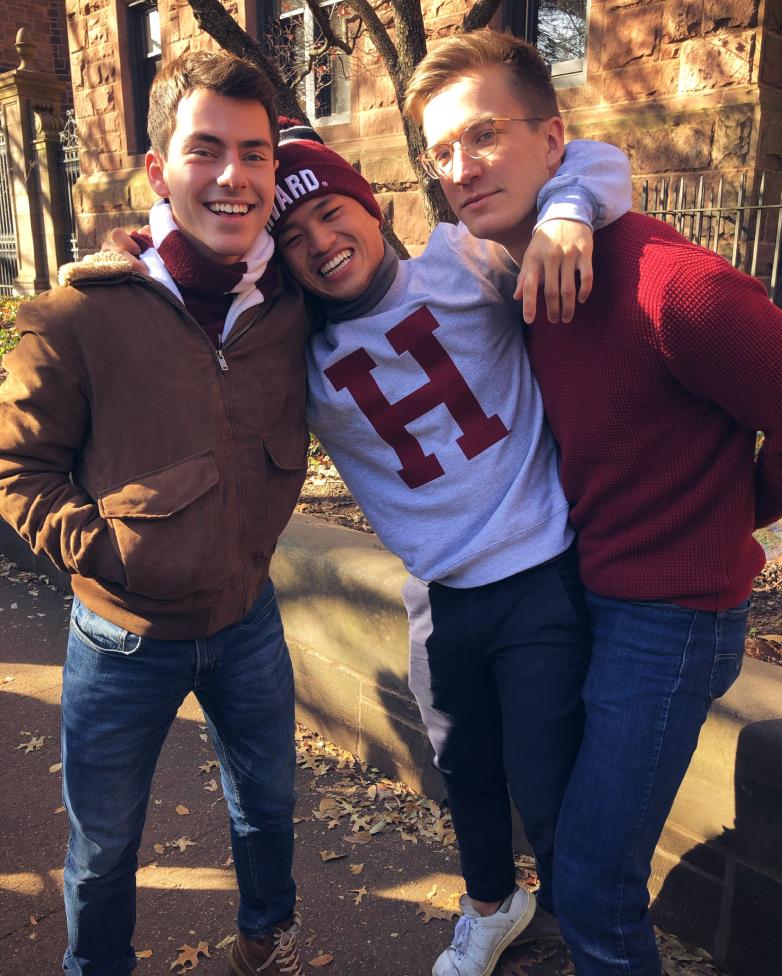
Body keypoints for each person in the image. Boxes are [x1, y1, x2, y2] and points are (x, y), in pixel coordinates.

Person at [107, 131, 632, 976]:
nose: (319, 241)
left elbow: (595, 158)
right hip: (438, 592)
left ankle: (592, 935)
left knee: (546, 781)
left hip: (537, 571)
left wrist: (568, 213)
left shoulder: (469, 262)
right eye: (294, 237)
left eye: (331, 211)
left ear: (375, 203)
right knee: (463, 769)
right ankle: (493, 909)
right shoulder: (293, 349)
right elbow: (196, 285)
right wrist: (142, 236)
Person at [402, 27, 782, 976]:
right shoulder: (509, 276)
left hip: (671, 619)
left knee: (588, 878)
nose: (462, 167)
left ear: (555, 140)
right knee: (568, 839)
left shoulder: (674, 285)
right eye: (442, 151)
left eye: (485, 134)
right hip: (577, 590)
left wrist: (728, 511)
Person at [0, 52, 310, 976]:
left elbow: (378, 243)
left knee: (268, 808)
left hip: (248, 617)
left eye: (254, 154)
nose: (232, 176)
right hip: (122, 636)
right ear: (158, 171)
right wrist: (114, 555)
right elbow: (18, 470)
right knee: (103, 847)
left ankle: (267, 938)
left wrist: (571, 206)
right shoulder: (76, 315)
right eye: (205, 149)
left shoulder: (293, 300)